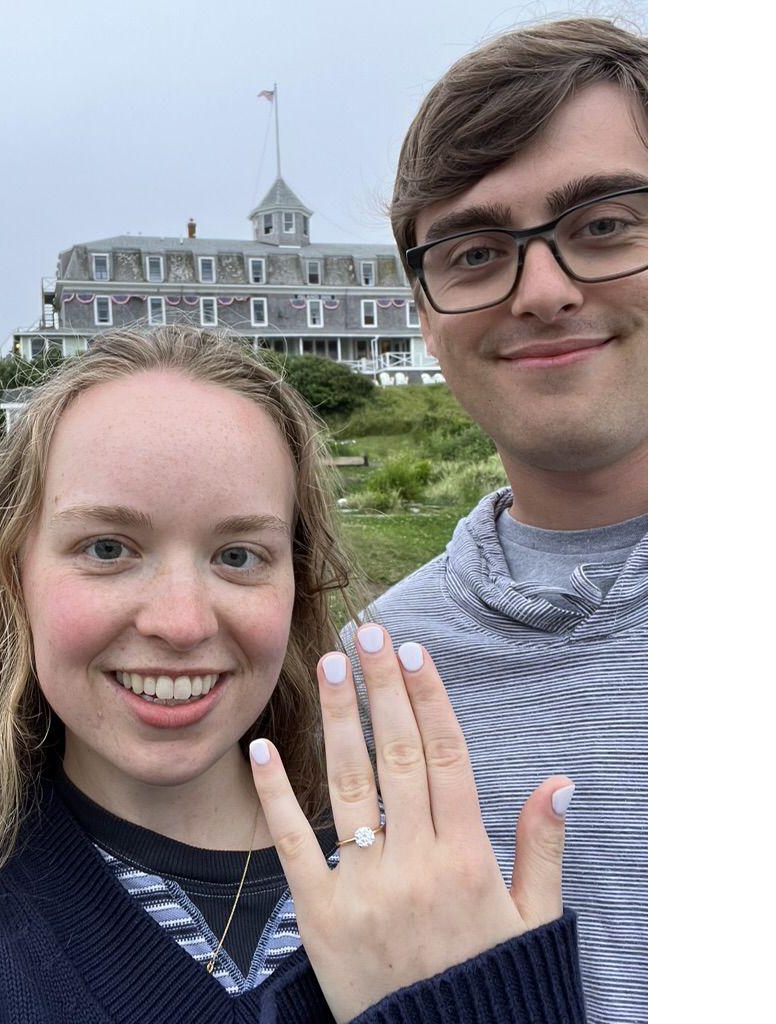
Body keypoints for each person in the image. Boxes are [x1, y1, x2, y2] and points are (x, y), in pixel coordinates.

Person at [0, 326, 586, 1023]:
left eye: (239, 556)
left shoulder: (442, 891)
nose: (182, 622)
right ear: (15, 576)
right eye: (107, 549)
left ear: (297, 585)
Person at [344, 18, 648, 1024]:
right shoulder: (372, 677)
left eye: (605, 225)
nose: (544, 292)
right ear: (425, 316)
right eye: (475, 252)